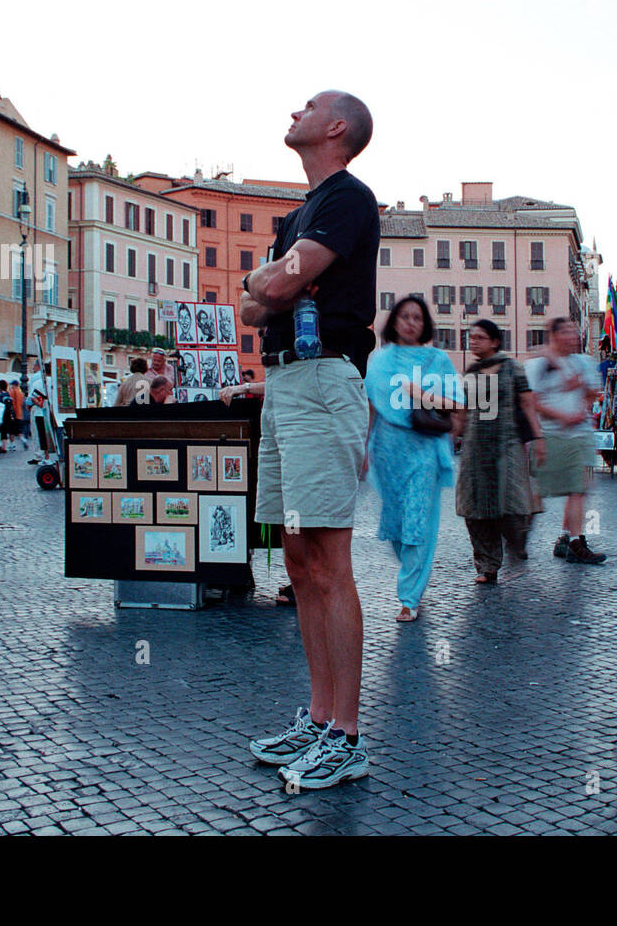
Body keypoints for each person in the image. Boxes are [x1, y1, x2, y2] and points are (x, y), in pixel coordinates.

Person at [241, 90, 378, 791]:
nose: (292, 110)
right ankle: (322, 717)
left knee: (329, 556)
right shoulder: (298, 214)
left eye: (309, 105)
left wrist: (278, 283)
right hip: (286, 381)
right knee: (297, 558)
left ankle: (348, 734)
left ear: (335, 128)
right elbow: (255, 300)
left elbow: (284, 281)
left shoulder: (350, 198)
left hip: (326, 378)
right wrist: (273, 284)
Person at [364, 296, 464, 621]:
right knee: (395, 525)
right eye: (404, 316)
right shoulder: (378, 361)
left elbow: (457, 405)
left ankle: (409, 597)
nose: (410, 322)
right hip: (387, 452)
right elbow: (372, 407)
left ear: (425, 324)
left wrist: (421, 395)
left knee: (418, 521)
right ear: (393, 321)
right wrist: (362, 450)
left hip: (424, 449)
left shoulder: (438, 360)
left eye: (417, 318)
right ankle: (413, 574)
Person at [455, 319, 543, 584]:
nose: (473, 341)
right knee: (475, 509)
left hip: (507, 445)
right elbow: (464, 410)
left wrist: (539, 437)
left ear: (494, 341)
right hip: (474, 449)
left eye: (480, 337)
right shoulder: (471, 372)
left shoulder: (512, 368)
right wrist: (452, 432)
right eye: (471, 337)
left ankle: (516, 540)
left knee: (511, 504)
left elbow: (528, 404)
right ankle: (487, 566)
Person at [525, 317, 606, 564]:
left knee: (579, 489)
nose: (574, 337)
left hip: (580, 434)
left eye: (575, 333)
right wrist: (561, 416)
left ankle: (574, 541)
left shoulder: (584, 362)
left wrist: (581, 387)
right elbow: (532, 402)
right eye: (568, 333)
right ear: (555, 336)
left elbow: (595, 394)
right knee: (538, 493)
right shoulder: (539, 364)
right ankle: (520, 537)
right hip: (550, 435)